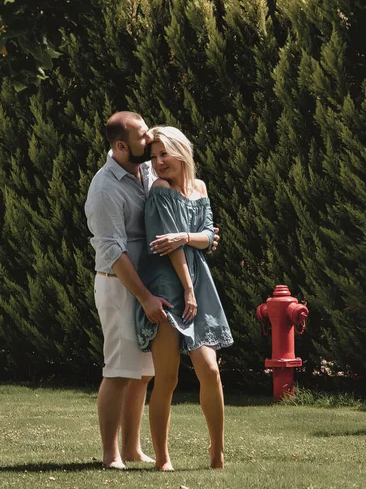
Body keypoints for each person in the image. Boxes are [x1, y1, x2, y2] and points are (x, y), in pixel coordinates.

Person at [135, 126, 233, 471]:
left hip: (198, 284)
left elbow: (209, 236)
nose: (159, 163)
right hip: (167, 286)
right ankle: (162, 458)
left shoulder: (200, 189)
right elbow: (168, 246)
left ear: (181, 152)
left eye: (164, 154)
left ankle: (217, 450)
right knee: (168, 377)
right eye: (154, 157)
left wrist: (186, 235)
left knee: (210, 369)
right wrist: (187, 288)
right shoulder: (160, 190)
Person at [84, 111, 173, 469]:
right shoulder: (104, 188)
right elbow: (114, 253)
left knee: (144, 372)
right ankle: (110, 455)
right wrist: (145, 298)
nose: (150, 140)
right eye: (142, 136)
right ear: (121, 146)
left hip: (147, 283)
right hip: (120, 287)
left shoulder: (147, 169)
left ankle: (133, 448)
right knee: (119, 371)